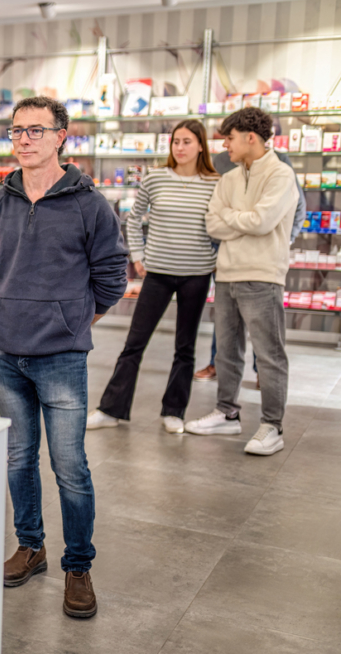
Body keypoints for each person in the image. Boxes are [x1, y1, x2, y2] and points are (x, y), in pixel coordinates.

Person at [0, 96, 128, 618]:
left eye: (36, 130)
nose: (24, 139)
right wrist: (13, 310)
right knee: (18, 459)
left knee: (70, 468)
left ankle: (78, 566)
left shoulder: (90, 204)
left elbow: (112, 277)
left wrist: (72, 321)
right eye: (17, 130)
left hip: (61, 356)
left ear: (63, 136)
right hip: (4, 351)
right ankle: (31, 546)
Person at [87, 120, 220, 434]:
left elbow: (221, 226)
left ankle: (173, 411)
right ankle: (111, 409)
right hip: (158, 273)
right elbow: (133, 220)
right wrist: (138, 256)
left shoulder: (215, 183)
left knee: (185, 347)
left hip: (197, 274)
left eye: (187, 141)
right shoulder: (155, 178)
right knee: (135, 342)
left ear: (201, 145)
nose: (180, 147)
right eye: (176, 141)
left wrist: (215, 261)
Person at [184, 107, 299, 456]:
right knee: (227, 352)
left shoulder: (280, 175)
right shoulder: (229, 178)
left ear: (251, 137)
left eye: (230, 138)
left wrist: (234, 219)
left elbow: (263, 222)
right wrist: (242, 220)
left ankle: (272, 426)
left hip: (263, 276)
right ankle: (227, 412)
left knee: (269, 354)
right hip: (228, 274)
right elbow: (212, 224)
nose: (225, 145)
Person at [193, 148, 306, 383]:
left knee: (261, 322)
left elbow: (294, 208)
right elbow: (214, 213)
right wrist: (247, 225)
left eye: (231, 135)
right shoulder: (222, 161)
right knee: (226, 319)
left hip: (261, 255)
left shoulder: (279, 164)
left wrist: (286, 238)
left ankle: (260, 371)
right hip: (225, 250)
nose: (226, 141)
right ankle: (217, 363)